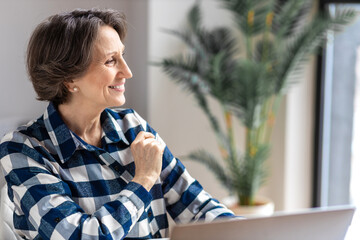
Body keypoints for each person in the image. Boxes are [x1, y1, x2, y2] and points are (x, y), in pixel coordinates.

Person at [0, 8, 234, 240]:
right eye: (111, 61)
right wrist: (143, 181)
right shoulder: (22, 149)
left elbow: (198, 208)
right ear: (69, 78)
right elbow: (82, 236)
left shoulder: (133, 127)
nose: (127, 72)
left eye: (122, 56)